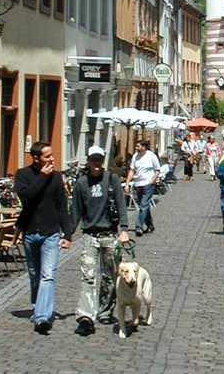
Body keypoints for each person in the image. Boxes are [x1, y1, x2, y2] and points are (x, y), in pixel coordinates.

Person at [71, 145, 130, 335]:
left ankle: (105, 310)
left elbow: (121, 205)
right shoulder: (81, 183)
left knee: (110, 276)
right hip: (89, 235)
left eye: (99, 159)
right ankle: (86, 316)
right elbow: (75, 211)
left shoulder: (111, 179)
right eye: (93, 159)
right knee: (88, 277)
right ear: (88, 161)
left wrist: (124, 230)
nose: (96, 163)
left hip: (109, 235)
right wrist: (67, 235)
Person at [14, 141, 73, 334]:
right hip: (30, 232)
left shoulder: (57, 177)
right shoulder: (22, 175)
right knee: (34, 274)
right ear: (36, 158)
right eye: (48, 156)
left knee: (48, 275)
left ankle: (42, 317)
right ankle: (36, 306)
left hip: (50, 233)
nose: (52, 159)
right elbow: (27, 197)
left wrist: (68, 233)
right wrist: (42, 177)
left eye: (52, 155)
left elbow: (62, 207)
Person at [124, 137, 161, 236]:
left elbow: (157, 169)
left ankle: (138, 227)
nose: (136, 147)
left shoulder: (151, 156)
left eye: (138, 146)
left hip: (148, 184)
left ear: (144, 147)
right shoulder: (135, 156)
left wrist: (153, 179)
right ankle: (150, 225)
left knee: (144, 205)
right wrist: (127, 183)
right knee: (143, 206)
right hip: (138, 184)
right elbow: (132, 170)